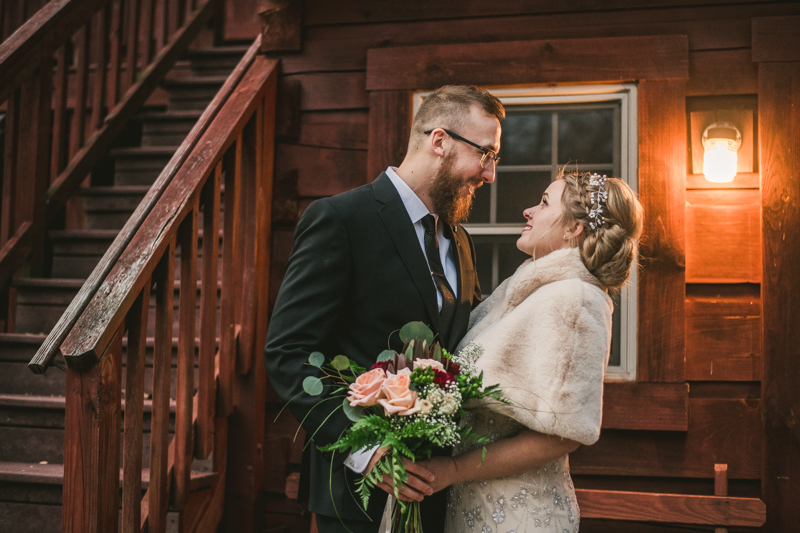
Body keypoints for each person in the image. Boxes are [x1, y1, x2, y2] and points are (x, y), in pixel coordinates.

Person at [264, 85, 505, 533]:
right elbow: (289, 352)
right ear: (440, 141)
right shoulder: (341, 219)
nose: (489, 174)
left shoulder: (460, 241)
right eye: (485, 155)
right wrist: (370, 450)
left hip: (435, 489)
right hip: (353, 493)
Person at [419, 171, 644, 533]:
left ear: (574, 229)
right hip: (474, 504)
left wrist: (454, 469)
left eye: (543, 203)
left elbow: (562, 434)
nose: (528, 210)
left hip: (519, 517)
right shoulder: (528, 290)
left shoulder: (577, 299)